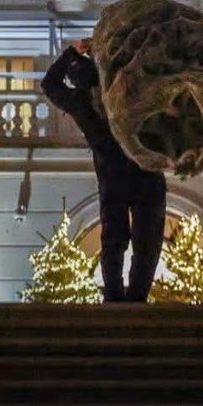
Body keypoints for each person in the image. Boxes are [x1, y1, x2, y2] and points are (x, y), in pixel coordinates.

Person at [40, 40, 166, 302]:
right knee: (147, 241)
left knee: (114, 239)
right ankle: (135, 298)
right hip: (146, 175)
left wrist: (72, 52)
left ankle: (114, 297)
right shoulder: (133, 92)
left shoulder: (81, 101)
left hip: (113, 177)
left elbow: (49, 84)